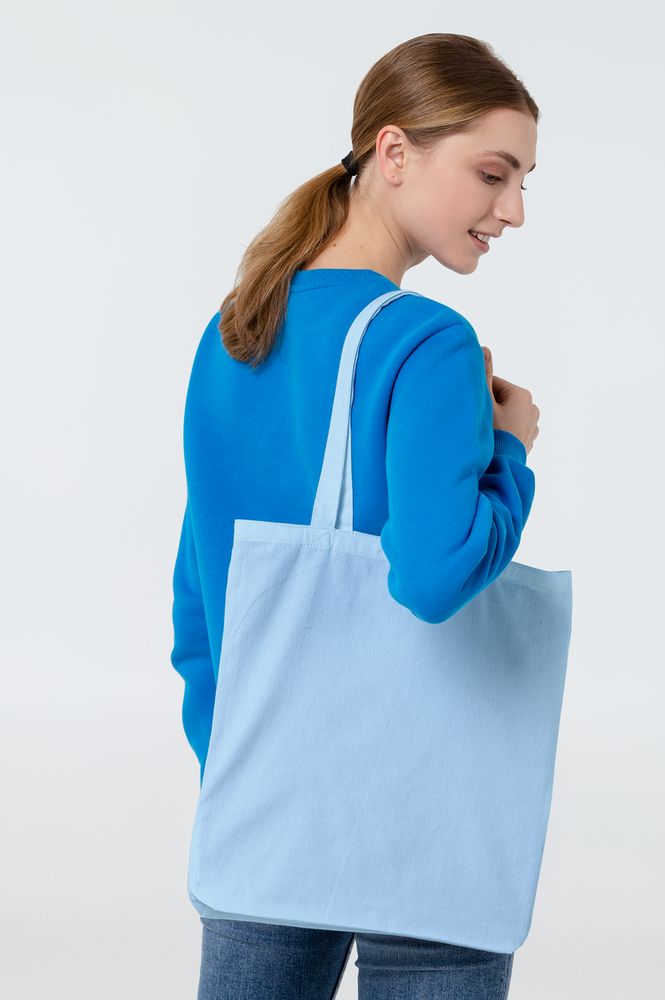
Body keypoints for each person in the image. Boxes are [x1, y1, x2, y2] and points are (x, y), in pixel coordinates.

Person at [170, 31, 540, 1000]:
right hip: (422, 809)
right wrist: (510, 452)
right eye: (493, 174)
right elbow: (435, 573)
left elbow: (200, 600)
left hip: (262, 803)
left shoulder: (234, 328)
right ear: (394, 152)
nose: (514, 210)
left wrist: (243, 761)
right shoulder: (427, 342)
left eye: (523, 182)